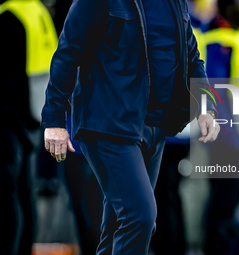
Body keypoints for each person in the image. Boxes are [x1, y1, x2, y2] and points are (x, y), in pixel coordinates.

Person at [41, 0, 220, 254]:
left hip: (155, 127)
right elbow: (68, 52)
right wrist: (54, 120)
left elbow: (192, 56)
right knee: (140, 216)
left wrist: (205, 106)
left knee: (119, 224)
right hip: (108, 124)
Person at [0, 0, 57, 254]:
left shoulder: (10, 15)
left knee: (6, 194)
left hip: (8, 118)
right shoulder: (37, 11)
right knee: (24, 192)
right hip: (33, 116)